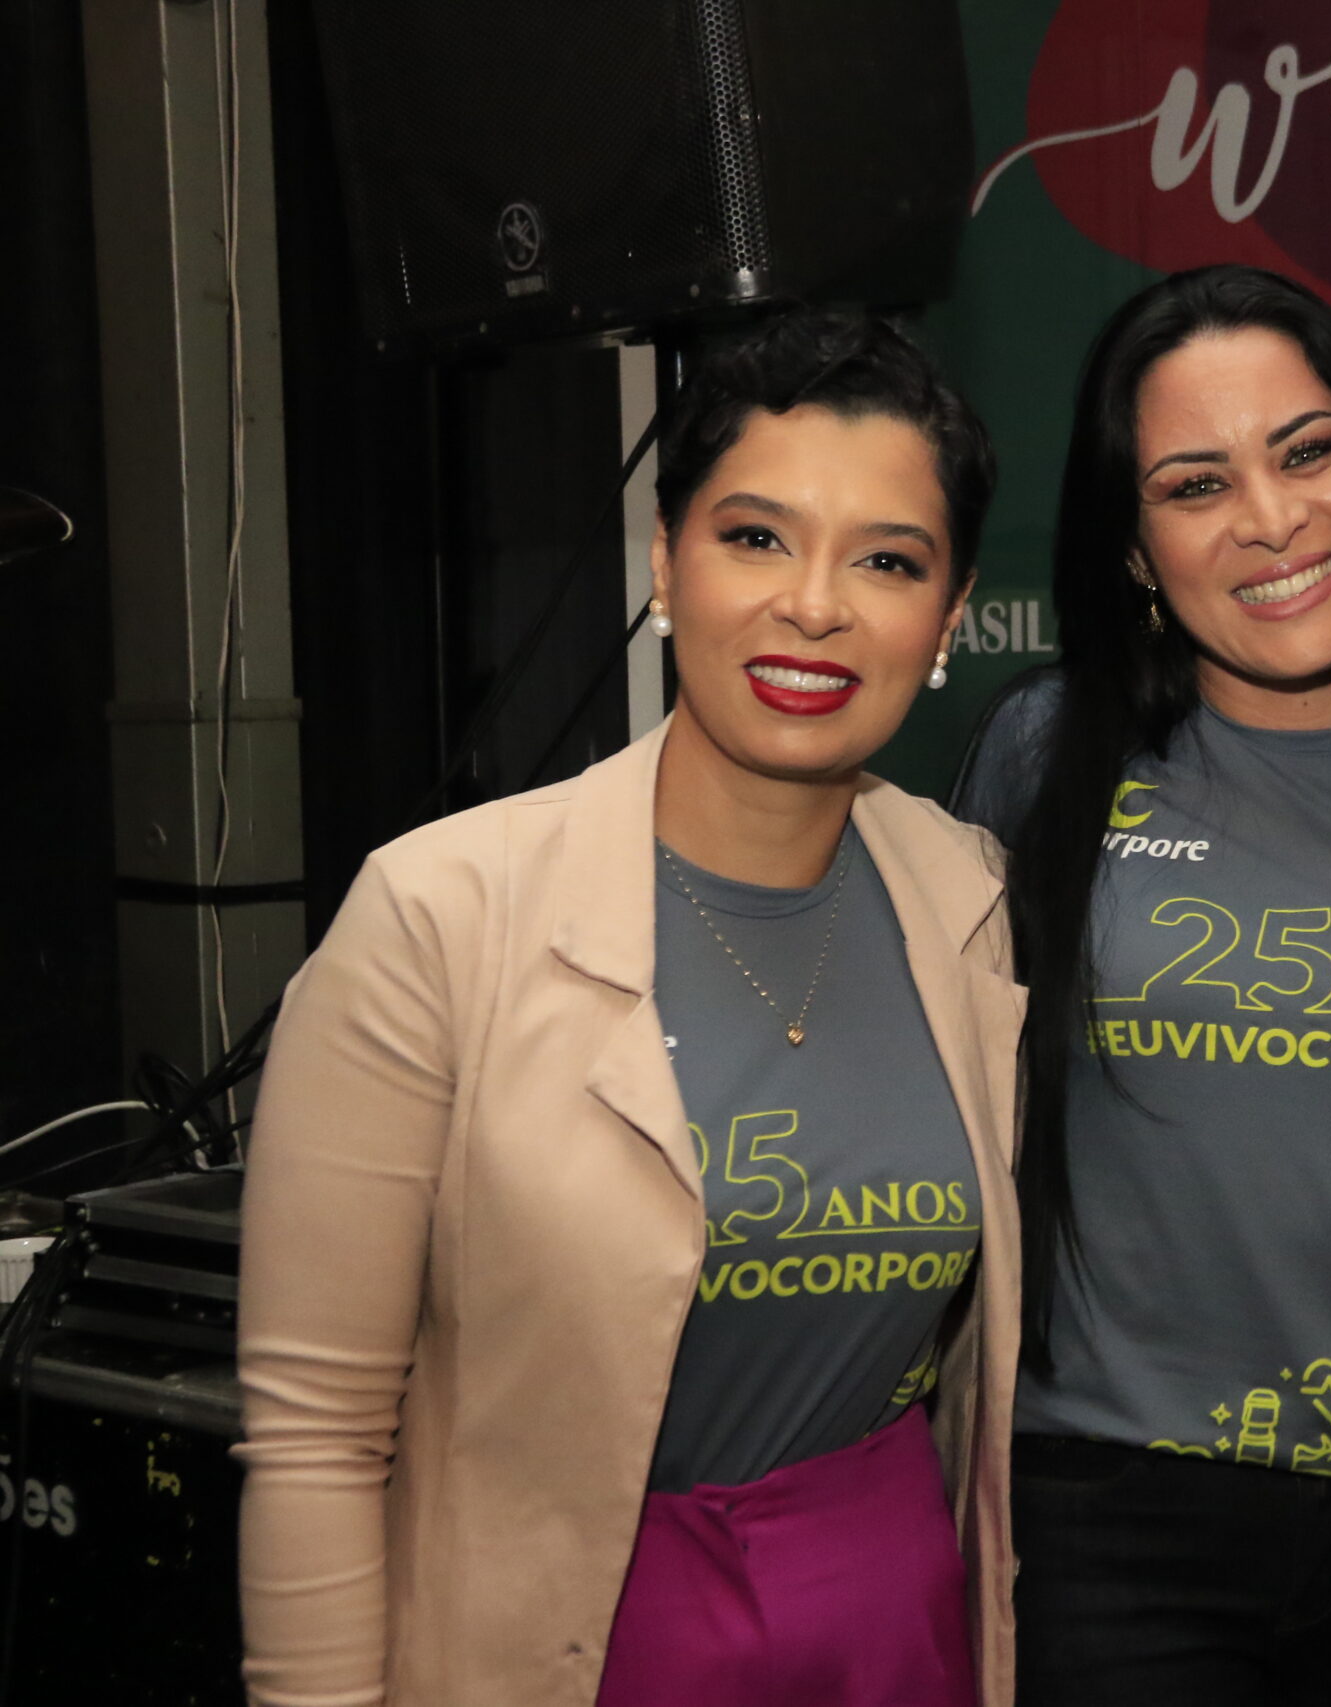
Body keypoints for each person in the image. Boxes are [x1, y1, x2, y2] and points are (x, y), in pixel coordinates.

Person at [234, 309, 1023, 1707]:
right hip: (564, 1636)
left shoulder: (966, 895)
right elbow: (314, 1435)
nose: (815, 606)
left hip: (893, 1627)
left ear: (950, 616)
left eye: (888, 560)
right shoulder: (439, 915)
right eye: (756, 536)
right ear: (665, 560)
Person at [948, 264, 1331, 1707]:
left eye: (1306, 451)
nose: (1272, 518)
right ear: (1132, 546)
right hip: (1115, 1521)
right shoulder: (1047, 756)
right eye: (1195, 483)